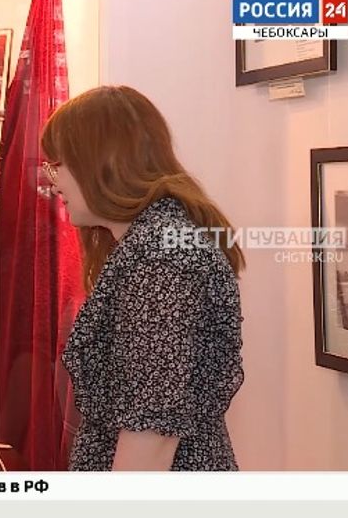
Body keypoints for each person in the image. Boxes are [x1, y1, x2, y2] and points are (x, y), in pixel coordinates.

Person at [40, 85, 246, 471]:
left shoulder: (159, 260)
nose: (53, 181)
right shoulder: (154, 244)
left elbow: (152, 435)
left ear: (100, 161)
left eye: (58, 165)